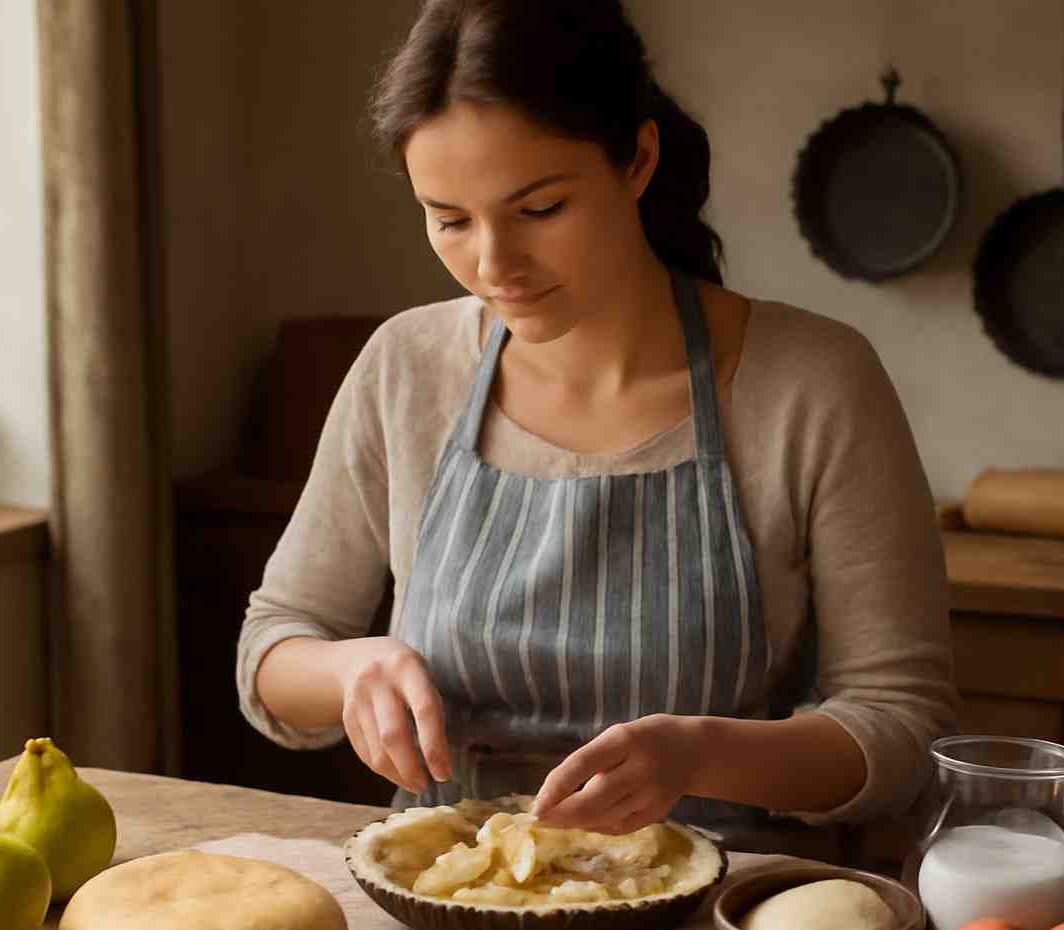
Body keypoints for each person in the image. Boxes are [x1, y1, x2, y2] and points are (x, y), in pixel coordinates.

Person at [237, 0, 954, 845]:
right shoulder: (406, 366)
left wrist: (700, 756)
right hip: (450, 886)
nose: (494, 266)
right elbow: (273, 647)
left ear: (638, 160)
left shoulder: (814, 382)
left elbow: (903, 725)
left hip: (722, 900)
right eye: (450, 219)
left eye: (541, 209)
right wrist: (352, 668)